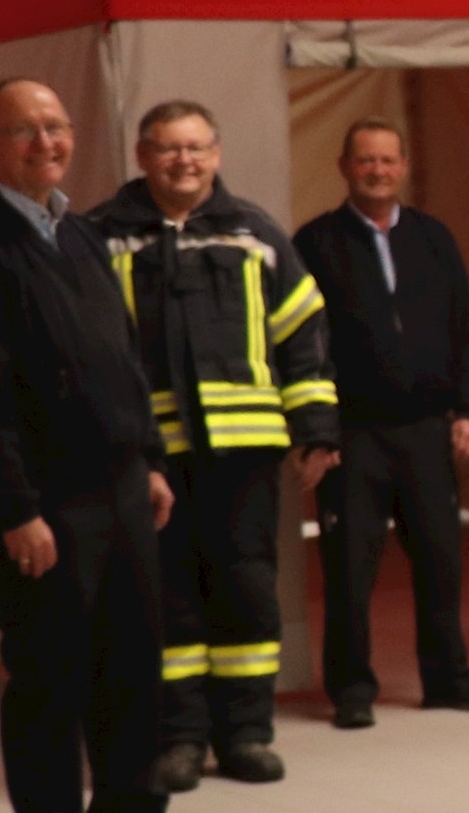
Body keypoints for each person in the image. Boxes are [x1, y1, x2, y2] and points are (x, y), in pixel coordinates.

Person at [0, 79, 174, 813]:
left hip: (125, 492)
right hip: (47, 508)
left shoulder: (83, 237)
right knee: (52, 681)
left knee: (132, 674)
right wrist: (12, 510)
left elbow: (123, 358)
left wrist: (149, 460)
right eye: (25, 130)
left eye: (56, 126)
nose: (47, 143)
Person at [85, 102, 335, 791]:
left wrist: (316, 428)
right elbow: (90, 352)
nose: (183, 161)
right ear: (142, 156)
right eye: (168, 149)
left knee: (246, 590)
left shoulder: (253, 232)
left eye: (196, 148)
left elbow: (303, 332)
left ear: (217, 154)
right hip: (153, 457)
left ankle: (247, 733)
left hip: (245, 450)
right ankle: (179, 739)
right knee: (166, 596)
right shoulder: (104, 237)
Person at [294, 120, 469, 728]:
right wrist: (318, 432)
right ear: (344, 167)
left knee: (441, 559)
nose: (377, 171)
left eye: (387, 160)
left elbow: (468, 327)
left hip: (426, 430)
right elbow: (303, 344)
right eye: (366, 161)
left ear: (404, 166)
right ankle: (352, 690)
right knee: (349, 568)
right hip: (353, 437)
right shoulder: (315, 243)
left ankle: (448, 679)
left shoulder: (435, 239)